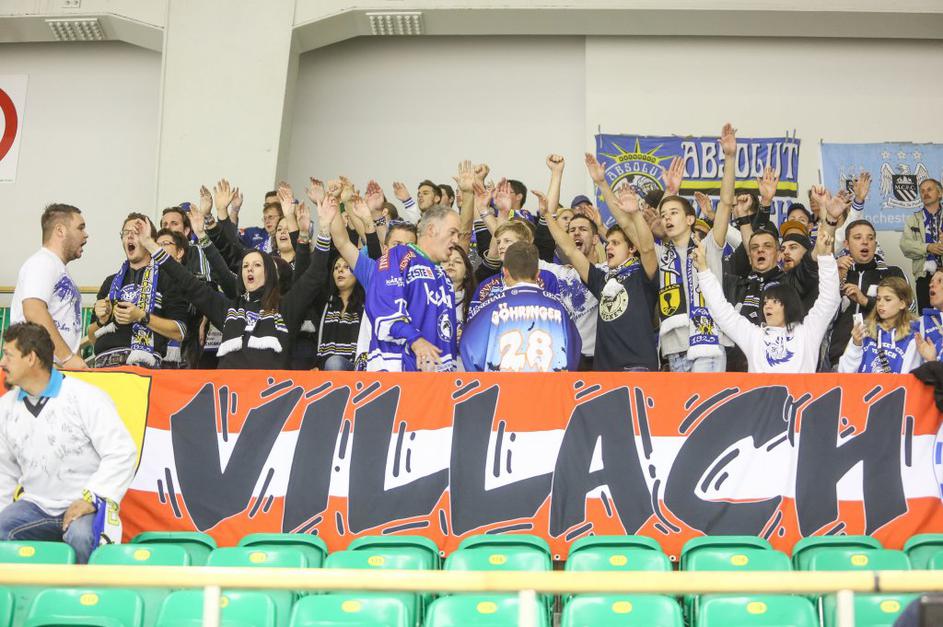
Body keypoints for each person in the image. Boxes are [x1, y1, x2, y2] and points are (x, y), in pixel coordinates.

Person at [134, 196, 333, 369]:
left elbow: (314, 276)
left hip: (269, 397)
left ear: (270, 273)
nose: (249, 269)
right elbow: (188, 282)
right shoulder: (229, 309)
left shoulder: (286, 307)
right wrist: (151, 245)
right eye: (245, 266)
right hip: (229, 396)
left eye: (256, 265)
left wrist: (324, 229)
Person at [0, 322, 137, 564]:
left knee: (82, 537)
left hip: (85, 503)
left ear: (31, 358)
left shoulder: (86, 397)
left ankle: (89, 589)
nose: (2, 362)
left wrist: (92, 498)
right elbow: (4, 471)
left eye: (8, 355)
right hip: (35, 505)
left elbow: (121, 451)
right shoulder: (5, 406)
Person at [639, 123, 736, 372]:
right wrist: (670, 192)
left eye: (674, 213)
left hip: (708, 348)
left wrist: (729, 157)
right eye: (664, 215)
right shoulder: (661, 254)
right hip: (674, 352)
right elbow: (637, 234)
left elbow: (726, 204)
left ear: (690, 219)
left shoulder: (708, 246)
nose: (667, 219)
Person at [542, 183, 659, 371]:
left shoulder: (642, 272)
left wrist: (635, 213)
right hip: (604, 371)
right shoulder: (602, 280)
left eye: (615, 243)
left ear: (631, 248)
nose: (608, 246)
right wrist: (547, 216)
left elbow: (647, 248)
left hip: (637, 367)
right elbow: (571, 250)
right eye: (608, 243)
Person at [693, 230, 840, 373]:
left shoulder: (808, 332)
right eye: (765, 302)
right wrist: (703, 269)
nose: (767, 306)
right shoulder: (754, 336)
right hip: (757, 391)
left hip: (800, 391)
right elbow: (721, 310)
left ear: (789, 304)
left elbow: (829, 300)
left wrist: (826, 258)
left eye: (775, 301)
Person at [364, 205, 461, 372]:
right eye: (452, 232)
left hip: (435, 374)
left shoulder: (443, 275)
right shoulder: (398, 255)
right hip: (396, 370)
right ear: (431, 230)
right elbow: (384, 309)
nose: (456, 240)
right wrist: (415, 340)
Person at [460, 242, 581, 372]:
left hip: (501, 384)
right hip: (549, 383)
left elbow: (469, 347)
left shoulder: (488, 307)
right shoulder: (559, 307)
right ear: (538, 274)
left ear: (505, 272)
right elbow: (574, 348)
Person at [90, 213, 188, 368]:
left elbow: (180, 331)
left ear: (150, 241)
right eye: (126, 232)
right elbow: (92, 336)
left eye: (136, 232)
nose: (130, 236)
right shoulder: (110, 282)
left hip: (143, 366)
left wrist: (141, 316)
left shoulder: (168, 279)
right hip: (104, 365)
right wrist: (101, 320)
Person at [11, 203, 88, 370]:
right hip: (38, 366)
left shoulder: (57, 268)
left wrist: (74, 358)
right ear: (60, 231)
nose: (86, 234)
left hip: (53, 367)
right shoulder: (43, 262)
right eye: (80, 228)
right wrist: (67, 358)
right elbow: (33, 310)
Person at [826, 219, 908, 369]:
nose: (865, 242)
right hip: (841, 358)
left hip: (882, 360)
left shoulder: (892, 273)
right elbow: (820, 315)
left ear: (875, 244)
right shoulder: (834, 274)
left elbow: (908, 311)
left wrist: (865, 300)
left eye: (870, 238)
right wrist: (834, 278)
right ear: (846, 244)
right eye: (858, 238)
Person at [838, 277, 936, 373]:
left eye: (887, 299)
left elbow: (912, 377)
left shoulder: (914, 335)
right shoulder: (865, 330)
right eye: (878, 299)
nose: (880, 304)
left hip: (897, 384)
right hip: (863, 384)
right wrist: (856, 345)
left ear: (902, 304)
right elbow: (844, 373)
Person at [899, 178, 943, 310]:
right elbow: (905, 245)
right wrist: (928, 248)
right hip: (924, 276)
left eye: (929, 189)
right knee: (927, 315)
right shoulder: (913, 219)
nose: (925, 193)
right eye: (922, 191)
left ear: (940, 193)